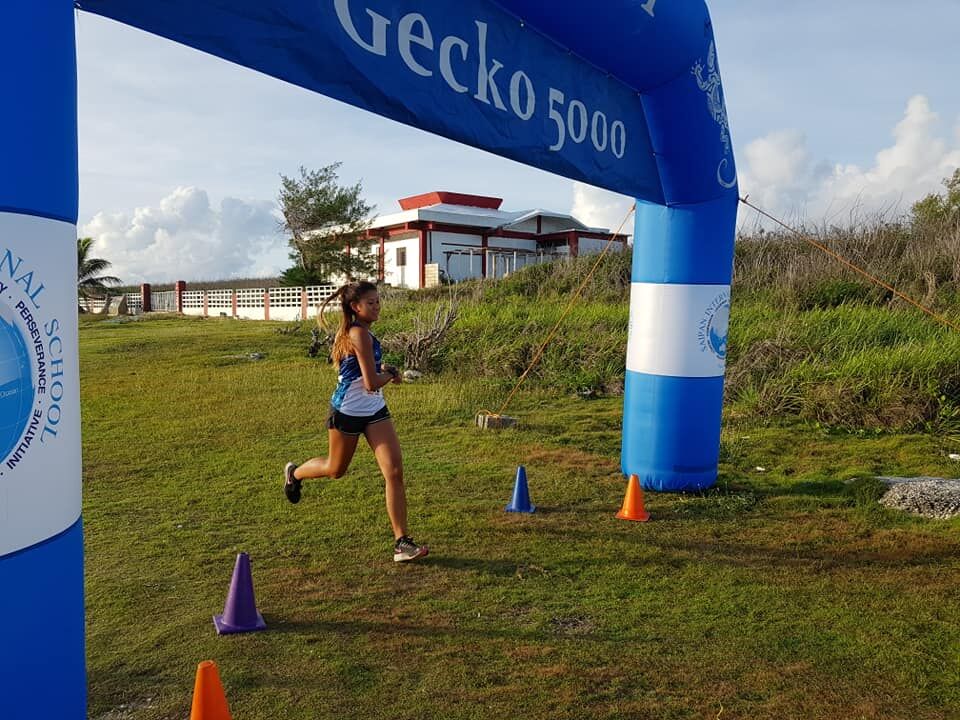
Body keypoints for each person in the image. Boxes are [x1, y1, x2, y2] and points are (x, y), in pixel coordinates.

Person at [283, 280, 428, 563]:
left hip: (375, 411)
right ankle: (295, 473)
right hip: (347, 412)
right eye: (371, 302)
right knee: (335, 470)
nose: (377, 306)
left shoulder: (366, 333)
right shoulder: (357, 333)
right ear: (355, 307)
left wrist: (382, 369)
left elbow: (367, 374)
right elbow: (372, 383)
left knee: (394, 472)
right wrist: (392, 376)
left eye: (378, 301)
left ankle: (402, 543)